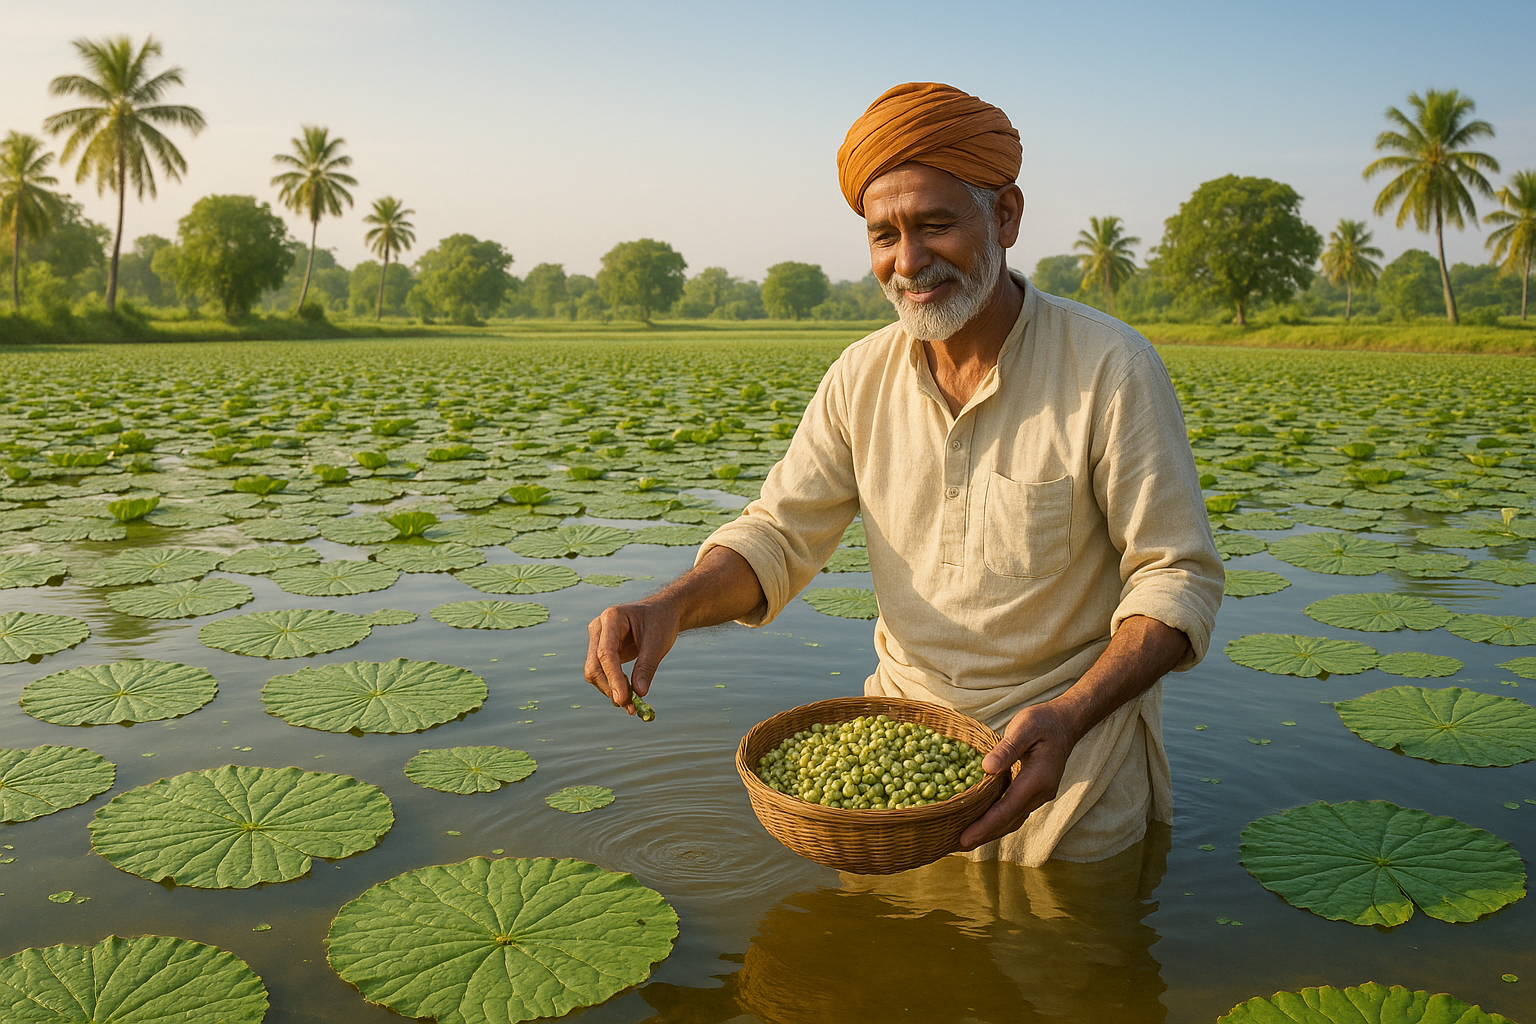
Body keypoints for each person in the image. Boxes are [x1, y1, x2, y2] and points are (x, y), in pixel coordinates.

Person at [584, 81, 1223, 866]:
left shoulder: (1109, 369)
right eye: (884, 235)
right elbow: (780, 535)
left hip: (1068, 781)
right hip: (891, 793)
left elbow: (1176, 577)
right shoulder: (860, 376)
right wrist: (669, 607)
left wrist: (1071, 711)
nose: (910, 262)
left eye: (936, 225)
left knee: (1066, 972)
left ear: (1007, 217)